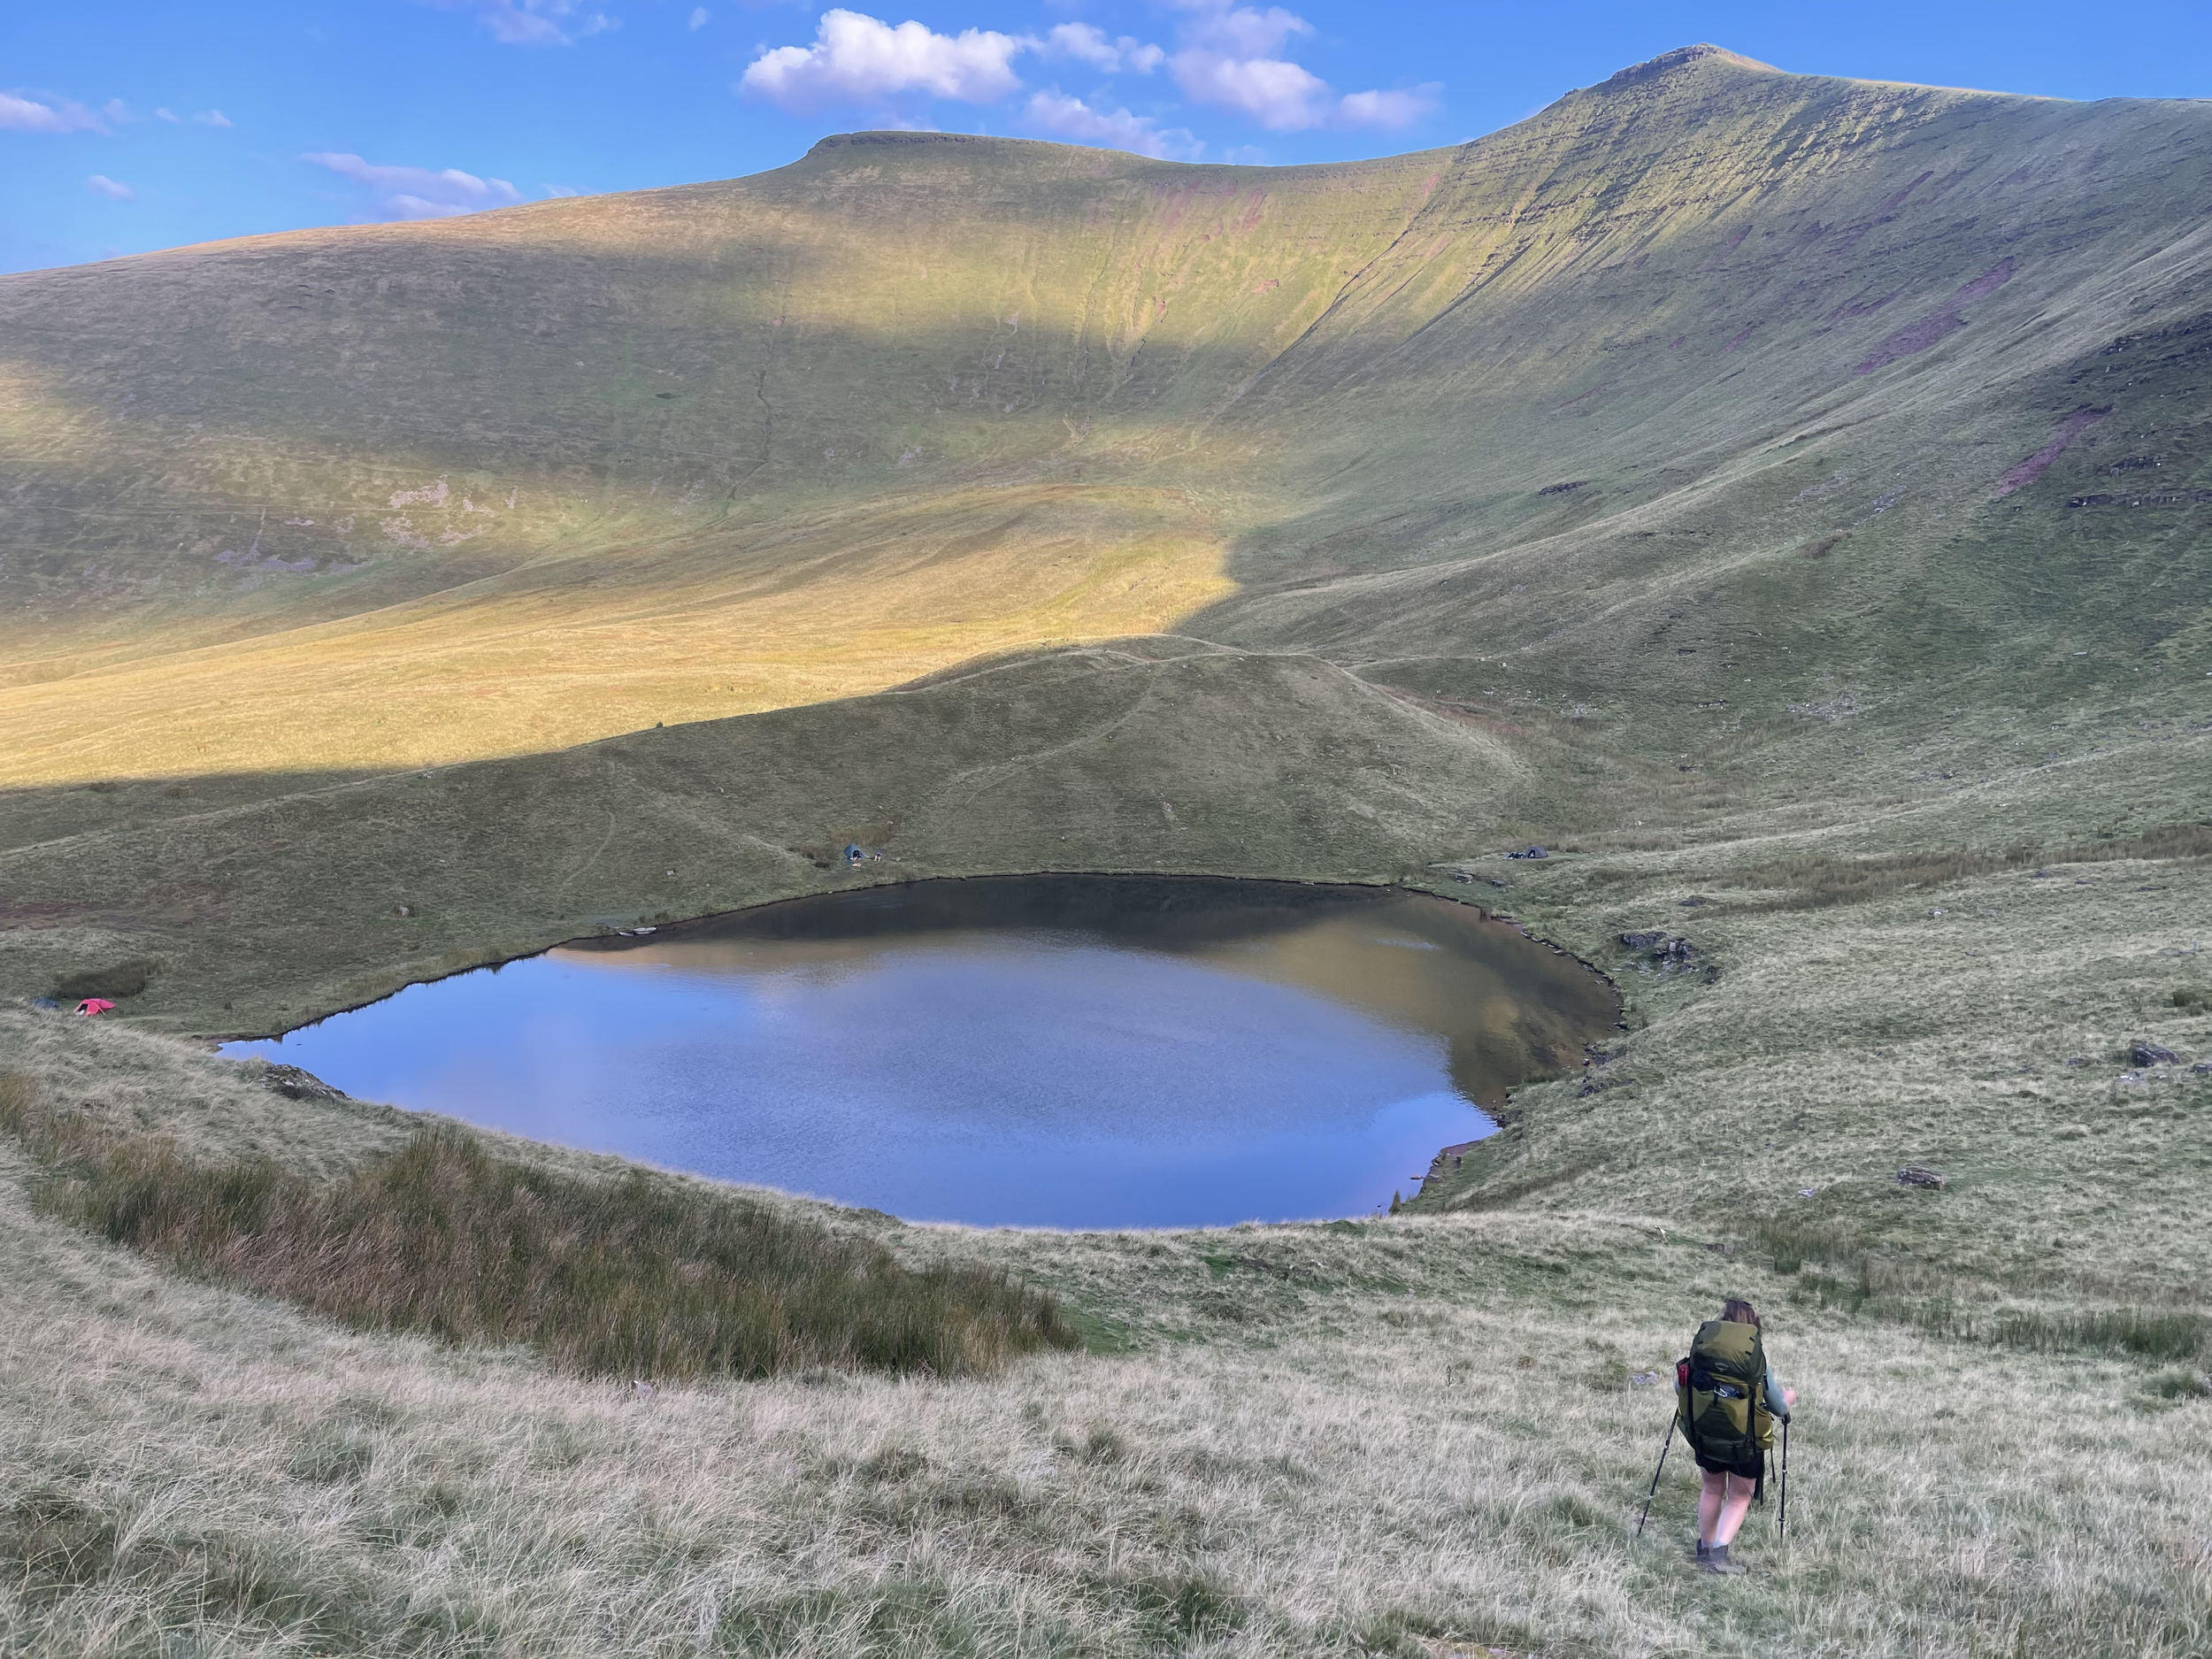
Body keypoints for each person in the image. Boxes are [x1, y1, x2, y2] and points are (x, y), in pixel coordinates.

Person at [1690, 1298, 1794, 1575]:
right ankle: (1719, 1556)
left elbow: (1680, 1386)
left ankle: (1705, 1548)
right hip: (1744, 1441)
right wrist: (1788, 1399)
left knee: (1712, 1488)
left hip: (1706, 1432)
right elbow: (1778, 1407)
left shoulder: (1703, 1350)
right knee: (1739, 1497)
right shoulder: (1754, 1358)